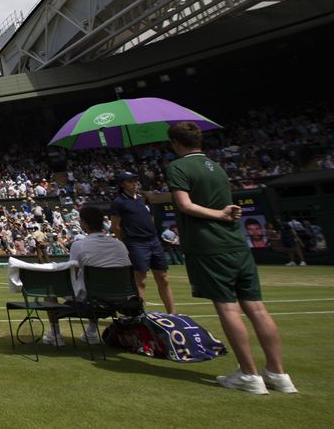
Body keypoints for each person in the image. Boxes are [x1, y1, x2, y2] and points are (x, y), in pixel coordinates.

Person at [165, 121, 297, 395]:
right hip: (236, 243)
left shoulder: (177, 167)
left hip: (209, 246)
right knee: (258, 309)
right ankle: (278, 373)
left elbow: (184, 205)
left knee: (228, 308)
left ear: (176, 143)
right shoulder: (219, 167)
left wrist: (219, 214)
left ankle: (249, 375)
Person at [43, 205, 130, 346]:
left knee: (49, 289)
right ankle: (90, 332)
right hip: (119, 299)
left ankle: (55, 334)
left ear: (83, 223)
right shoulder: (120, 245)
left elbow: (72, 274)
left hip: (91, 299)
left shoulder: (79, 245)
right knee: (93, 287)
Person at [109, 171, 175, 314]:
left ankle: (173, 313)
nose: (135, 183)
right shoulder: (119, 202)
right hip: (136, 243)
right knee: (141, 281)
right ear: (122, 184)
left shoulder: (142, 199)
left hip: (153, 240)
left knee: (163, 278)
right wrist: (127, 242)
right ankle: (140, 314)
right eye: (130, 181)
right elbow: (115, 226)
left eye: (135, 180)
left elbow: (150, 217)